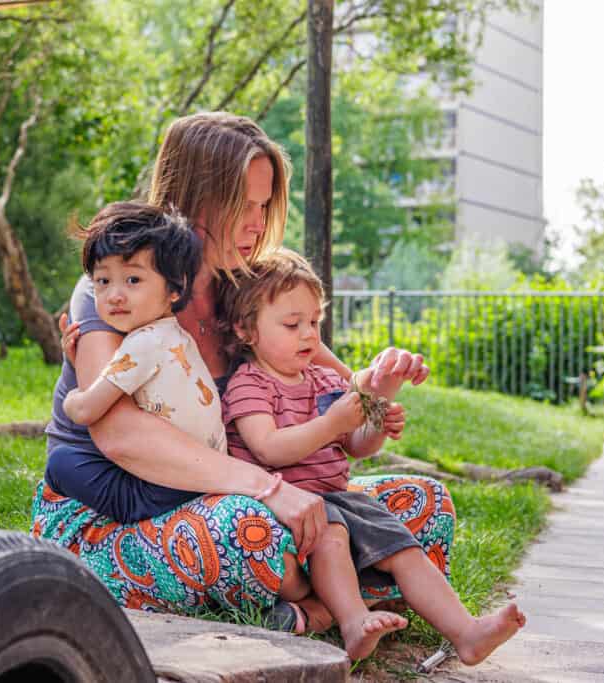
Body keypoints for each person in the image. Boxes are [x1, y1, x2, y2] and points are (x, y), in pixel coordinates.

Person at [32, 111, 452, 642]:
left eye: (264, 206)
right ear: (189, 200)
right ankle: (330, 603)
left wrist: (375, 388)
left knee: (422, 503)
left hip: (245, 498)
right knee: (247, 533)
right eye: (242, 207)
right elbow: (119, 436)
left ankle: (309, 605)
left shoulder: (254, 293)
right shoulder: (117, 290)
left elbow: (342, 401)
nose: (257, 224)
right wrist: (270, 490)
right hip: (116, 515)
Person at [219, 249, 526, 662]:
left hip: (339, 497)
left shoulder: (324, 378)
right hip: (287, 504)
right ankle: (353, 623)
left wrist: (375, 422)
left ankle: (467, 632)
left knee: (401, 545)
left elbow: (356, 446)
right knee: (332, 534)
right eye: (293, 325)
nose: (310, 335)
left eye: (314, 322)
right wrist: (331, 424)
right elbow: (267, 446)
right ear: (246, 329)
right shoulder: (249, 383)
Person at [57, 201, 227, 472]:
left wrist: (72, 396)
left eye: (133, 280)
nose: (115, 296)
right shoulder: (177, 338)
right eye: (103, 281)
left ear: (175, 288)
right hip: (204, 472)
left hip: (164, 483)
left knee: (62, 463)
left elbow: (85, 411)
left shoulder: (142, 343)